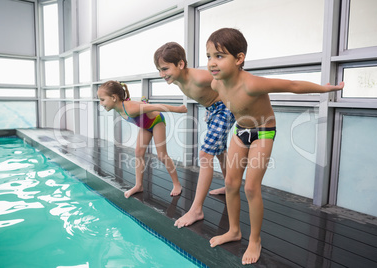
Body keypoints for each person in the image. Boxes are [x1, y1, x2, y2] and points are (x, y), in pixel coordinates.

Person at [205, 28, 344, 265]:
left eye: (219, 56)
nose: (212, 62)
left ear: (239, 59)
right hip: (240, 132)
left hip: (263, 132)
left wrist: (326, 89)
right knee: (229, 183)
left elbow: (292, 85)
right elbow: (220, 101)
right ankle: (234, 231)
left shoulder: (252, 84)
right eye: (208, 56)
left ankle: (255, 239)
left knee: (251, 187)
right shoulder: (217, 84)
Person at [154, 42, 236, 228]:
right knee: (219, 149)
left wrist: (237, 106)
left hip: (225, 108)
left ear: (181, 64)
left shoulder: (199, 77)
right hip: (213, 110)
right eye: (159, 70)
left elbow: (227, 81)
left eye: (165, 69)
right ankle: (229, 184)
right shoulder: (177, 80)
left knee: (205, 154)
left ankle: (197, 209)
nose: (161, 74)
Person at [97, 80, 187, 198]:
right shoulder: (121, 107)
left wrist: (178, 109)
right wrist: (142, 103)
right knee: (138, 152)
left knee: (161, 155)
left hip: (156, 122)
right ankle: (139, 185)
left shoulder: (130, 108)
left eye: (102, 100)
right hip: (145, 125)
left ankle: (177, 184)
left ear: (114, 97)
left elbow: (156, 107)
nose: (100, 103)